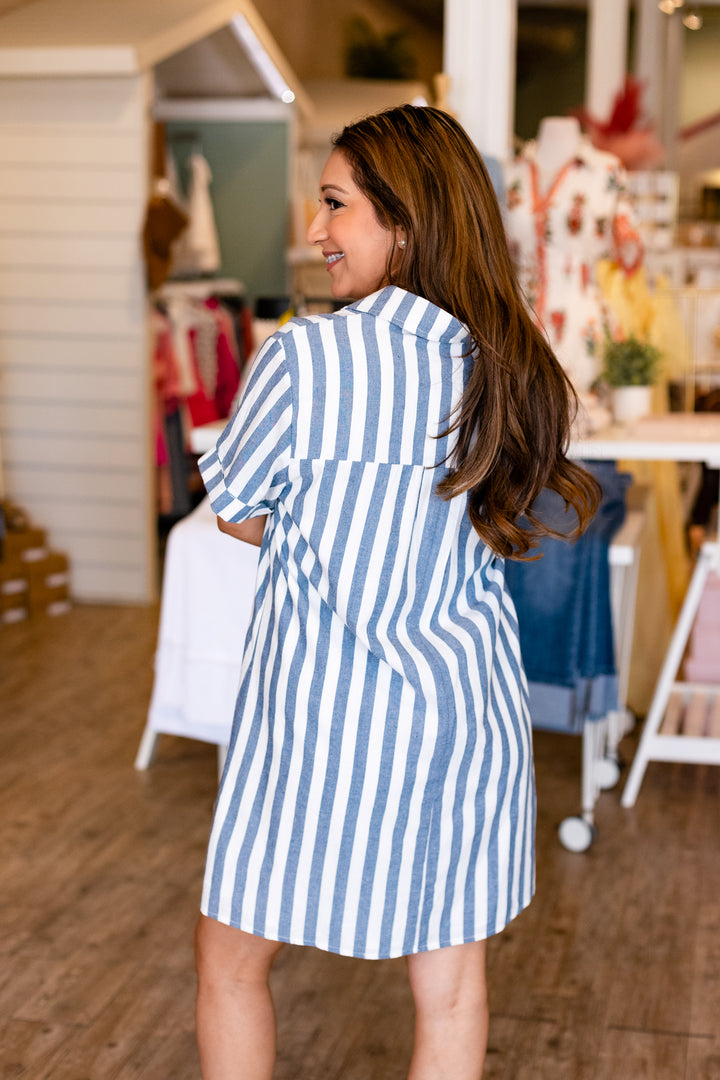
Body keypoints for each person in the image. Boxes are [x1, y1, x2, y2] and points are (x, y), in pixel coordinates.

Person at [194, 105, 600, 1080]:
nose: (317, 229)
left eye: (336, 205)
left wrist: (319, 531)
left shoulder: (305, 356)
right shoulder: (509, 367)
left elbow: (236, 510)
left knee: (233, 963)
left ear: (406, 222)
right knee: (451, 989)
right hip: (465, 718)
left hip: (316, 722)